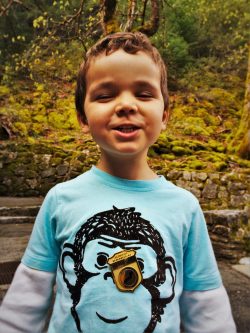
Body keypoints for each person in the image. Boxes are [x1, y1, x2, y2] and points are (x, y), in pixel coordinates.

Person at [0, 32, 236, 333]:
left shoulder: (185, 207)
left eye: (143, 93)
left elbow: (207, 310)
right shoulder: (60, 200)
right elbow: (24, 304)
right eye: (105, 94)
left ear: (164, 114)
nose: (126, 105)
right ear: (82, 117)